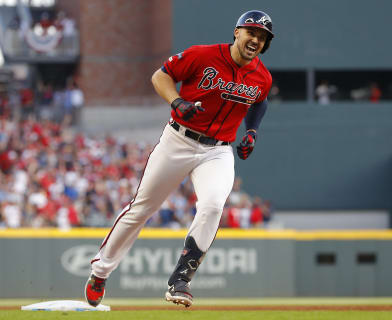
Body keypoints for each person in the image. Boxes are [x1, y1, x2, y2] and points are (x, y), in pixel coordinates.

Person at [84, 10, 274, 308]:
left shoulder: (262, 76)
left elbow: (259, 102)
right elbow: (160, 76)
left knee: (213, 205)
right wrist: (177, 101)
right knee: (142, 208)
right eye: (251, 32)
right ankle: (100, 272)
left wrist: (252, 132)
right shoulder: (203, 55)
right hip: (179, 139)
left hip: (218, 150)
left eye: (262, 37)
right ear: (237, 32)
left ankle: (181, 278)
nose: (256, 39)